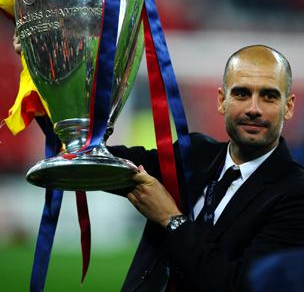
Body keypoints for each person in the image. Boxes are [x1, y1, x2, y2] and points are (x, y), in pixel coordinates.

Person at [107, 44, 304, 292]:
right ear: (222, 100)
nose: (254, 108)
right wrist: (68, 126)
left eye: (269, 96)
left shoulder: (296, 193)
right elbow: (106, 163)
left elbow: (241, 285)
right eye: (242, 94)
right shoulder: (194, 154)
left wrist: (172, 220)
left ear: (288, 106)